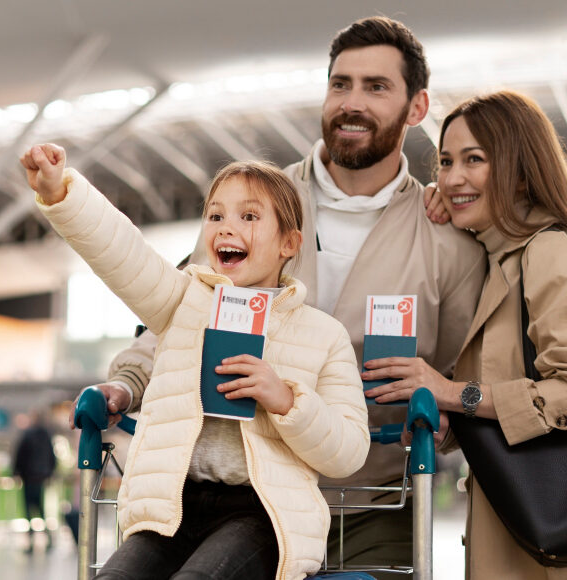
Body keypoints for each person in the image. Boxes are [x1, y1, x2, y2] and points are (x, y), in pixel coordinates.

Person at [85, 16, 487, 575]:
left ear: (417, 108)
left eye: (377, 87)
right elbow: (182, 314)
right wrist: (127, 384)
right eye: (340, 84)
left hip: (374, 504)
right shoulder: (255, 207)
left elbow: (469, 373)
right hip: (242, 490)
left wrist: (448, 417)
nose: (352, 102)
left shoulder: (448, 242)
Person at [22, 144, 371, 580]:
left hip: (263, 516)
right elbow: (122, 252)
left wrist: (286, 400)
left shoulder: (323, 335)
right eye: (216, 215)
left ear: (289, 243)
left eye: (249, 216)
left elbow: (350, 451)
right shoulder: (182, 301)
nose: (227, 227)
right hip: (173, 508)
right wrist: (63, 193)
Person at [366, 90, 567, 578]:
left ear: (521, 171)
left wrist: (448, 391)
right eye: (445, 161)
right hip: (529, 528)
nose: (452, 177)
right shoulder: (495, 263)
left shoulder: (549, 253)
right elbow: (503, 395)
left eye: (475, 159)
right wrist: (450, 422)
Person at [13, 406, 58, 553]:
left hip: (29, 477)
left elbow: (20, 455)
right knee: (41, 509)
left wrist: (16, 472)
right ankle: (48, 539)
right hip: (41, 477)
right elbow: (52, 456)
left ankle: (31, 542)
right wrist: (50, 472)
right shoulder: (46, 434)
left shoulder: (27, 434)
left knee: (28, 510)